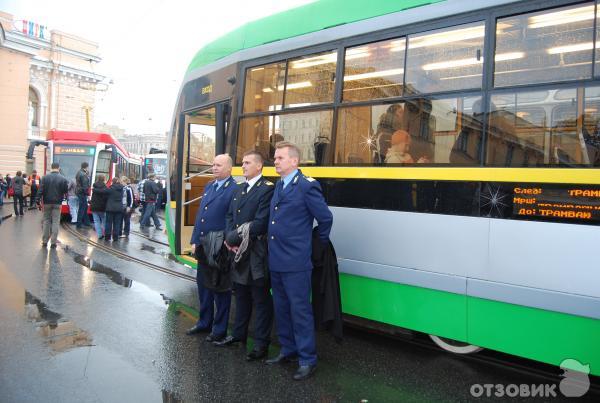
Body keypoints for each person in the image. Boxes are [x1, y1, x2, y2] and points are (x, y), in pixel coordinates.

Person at [265, 141, 333, 381]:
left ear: (294, 161)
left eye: (280, 158)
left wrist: (316, 247)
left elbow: (325, 219)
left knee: (300, 311)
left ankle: (307, 359)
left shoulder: (306, 186)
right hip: (277, 260)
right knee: (281, 309)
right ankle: (288, 350)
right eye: (275, 158)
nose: (275, 161)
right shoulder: (279, 185)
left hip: (295, 262)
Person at [214, 150, 275, 362]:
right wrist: (231, 238)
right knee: (240, 296)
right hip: (238, 253)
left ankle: (260, 344)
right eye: (242, 162)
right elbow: (230, 215)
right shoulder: (240, 189)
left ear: (259, 166)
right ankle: (239, 335)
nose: (243, 166)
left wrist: (232, 239)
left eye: (247, 162)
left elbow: (261, 223)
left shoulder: (267, 189)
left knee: (260, 299)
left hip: (255, 253)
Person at [186, 154, 238, 343]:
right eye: (213, 165)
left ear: (229, 168)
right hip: (203, 245)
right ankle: (204, 322)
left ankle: (219, 329)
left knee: (220, 289)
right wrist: (194, 240)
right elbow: (201, 215)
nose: (214, 168)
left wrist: (226, 242)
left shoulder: (233, 189)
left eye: (218, 165)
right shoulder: (209, 185)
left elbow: (231, 220)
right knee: (203, 287)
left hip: (219, 247)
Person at [37, 163, 69, 248]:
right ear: (58, 168)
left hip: (47, 202)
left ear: (51, 168)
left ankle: (44, 241)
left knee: (46, 221)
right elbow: (66, 191)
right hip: (57, 203)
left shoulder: (45, 178)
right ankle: (53, 243)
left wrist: (37, 201)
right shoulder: (63, 178)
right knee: (55, 222)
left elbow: (40, 190)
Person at [103, 177, 125, 242]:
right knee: (117, 223)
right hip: (119, 208)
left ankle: (107, 237)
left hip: (110, 207)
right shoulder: (122, 189)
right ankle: (115, 237)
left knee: (108, 223)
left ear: (112, 182)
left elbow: (105, 197)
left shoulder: (110, 189)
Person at [90, 174, 109, 239]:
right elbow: (106, 198)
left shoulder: (94, 187)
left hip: (94, 207)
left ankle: (99, 235)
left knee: (96, 221)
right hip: (102, 207)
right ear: (104, 179)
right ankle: (105, 233)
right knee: (104, 220)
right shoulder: (106, 188)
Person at [75, 162, 91, 228]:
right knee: (82, 208)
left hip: (79, 191)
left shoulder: (78, 172)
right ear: (86, 167)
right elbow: (85, 186)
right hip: (82, 193)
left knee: (84, 207)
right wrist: (87, 193)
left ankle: (87, 222)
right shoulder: (83, 174)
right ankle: (79, 223)